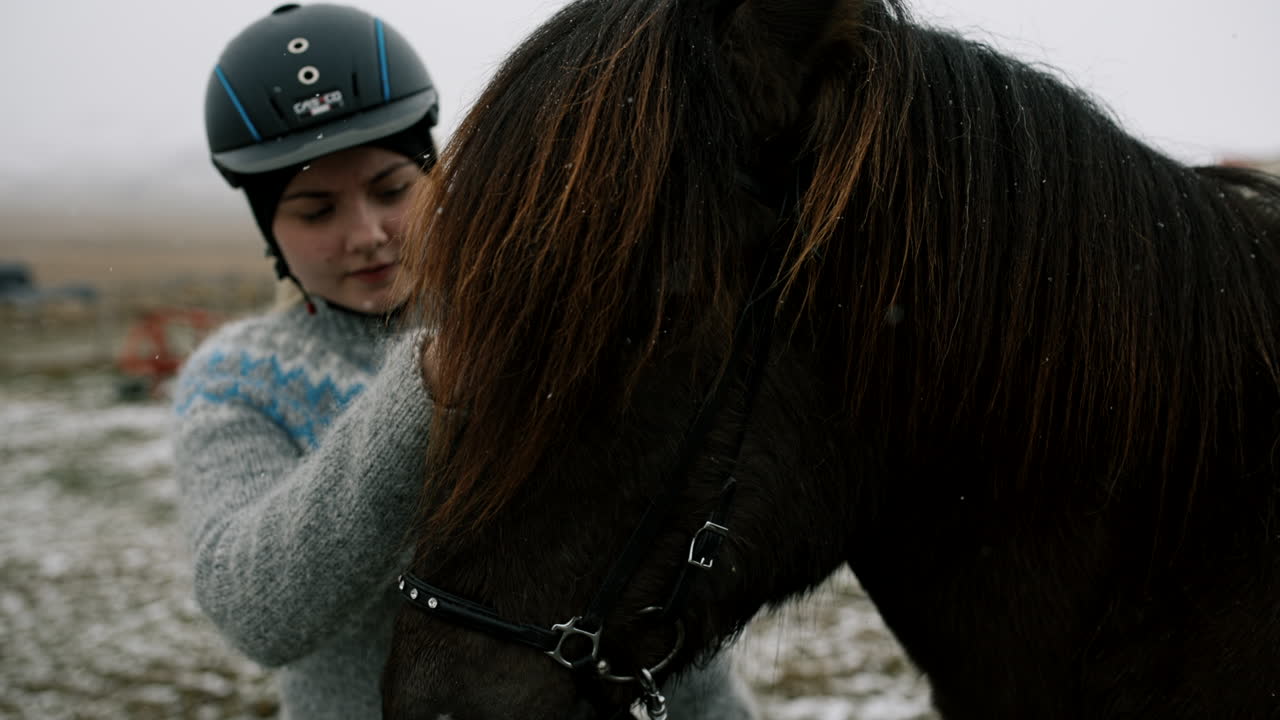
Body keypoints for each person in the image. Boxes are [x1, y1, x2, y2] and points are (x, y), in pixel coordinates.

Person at [173, 4, 760, 718]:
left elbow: (658, 574)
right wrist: (427, 392)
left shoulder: (552, 315)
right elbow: (257, 614)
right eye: (315, 209)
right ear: (270, 228)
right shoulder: (237, 382)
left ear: (438, 174)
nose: (366, 234)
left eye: (392, 190)